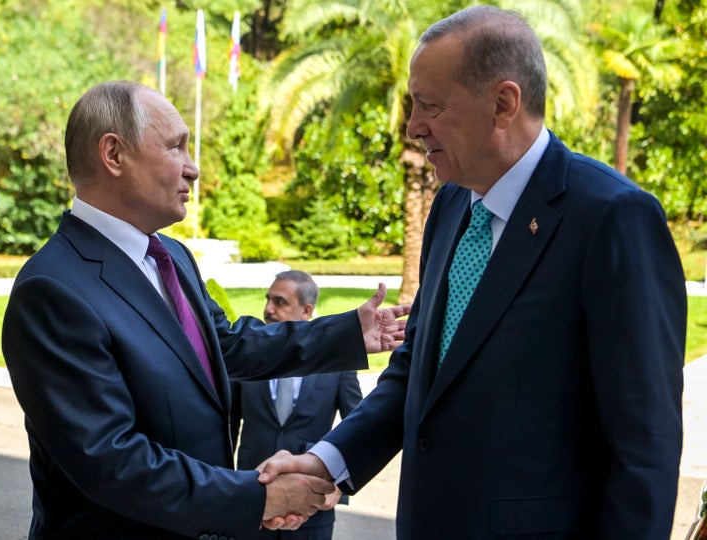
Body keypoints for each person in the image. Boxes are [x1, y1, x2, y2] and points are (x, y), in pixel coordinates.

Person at [258, 5, 687, 538]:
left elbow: (645, 444)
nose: (412, 127)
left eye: (430, 106)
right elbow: (421, 367)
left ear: (503, 103)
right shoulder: (452, 204)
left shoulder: (612, 218)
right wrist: (330, 460)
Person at [1, 80, 408, 540]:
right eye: (176, 147)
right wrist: (261, 498)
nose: (193, 169)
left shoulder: (172, 258)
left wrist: (351, 332)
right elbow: (111, 461)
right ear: (113, 155)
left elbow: (227, 344)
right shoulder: (52, 290)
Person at [231, 270, 362, 540]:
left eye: (280, 302)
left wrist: (339, 487)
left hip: (313, 503)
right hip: (253, 498)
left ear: (306, 310)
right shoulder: (247, 355)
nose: (268, 309)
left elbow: (357, 424)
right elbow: (228, 425)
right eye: (268, 300)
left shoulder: (337, 363)